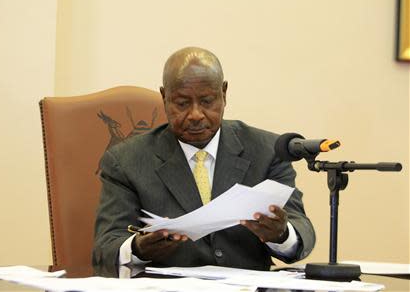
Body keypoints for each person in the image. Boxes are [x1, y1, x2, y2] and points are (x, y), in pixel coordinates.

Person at [92, 47, 315, 274]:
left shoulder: (269, 151)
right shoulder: (126, 161)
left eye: (207, 101)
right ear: (164, 97)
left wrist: (281, 233)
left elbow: (302, 233)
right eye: (182, 103)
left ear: (224, 93)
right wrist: (138, 248)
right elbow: (105, 248)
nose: (196, 114)